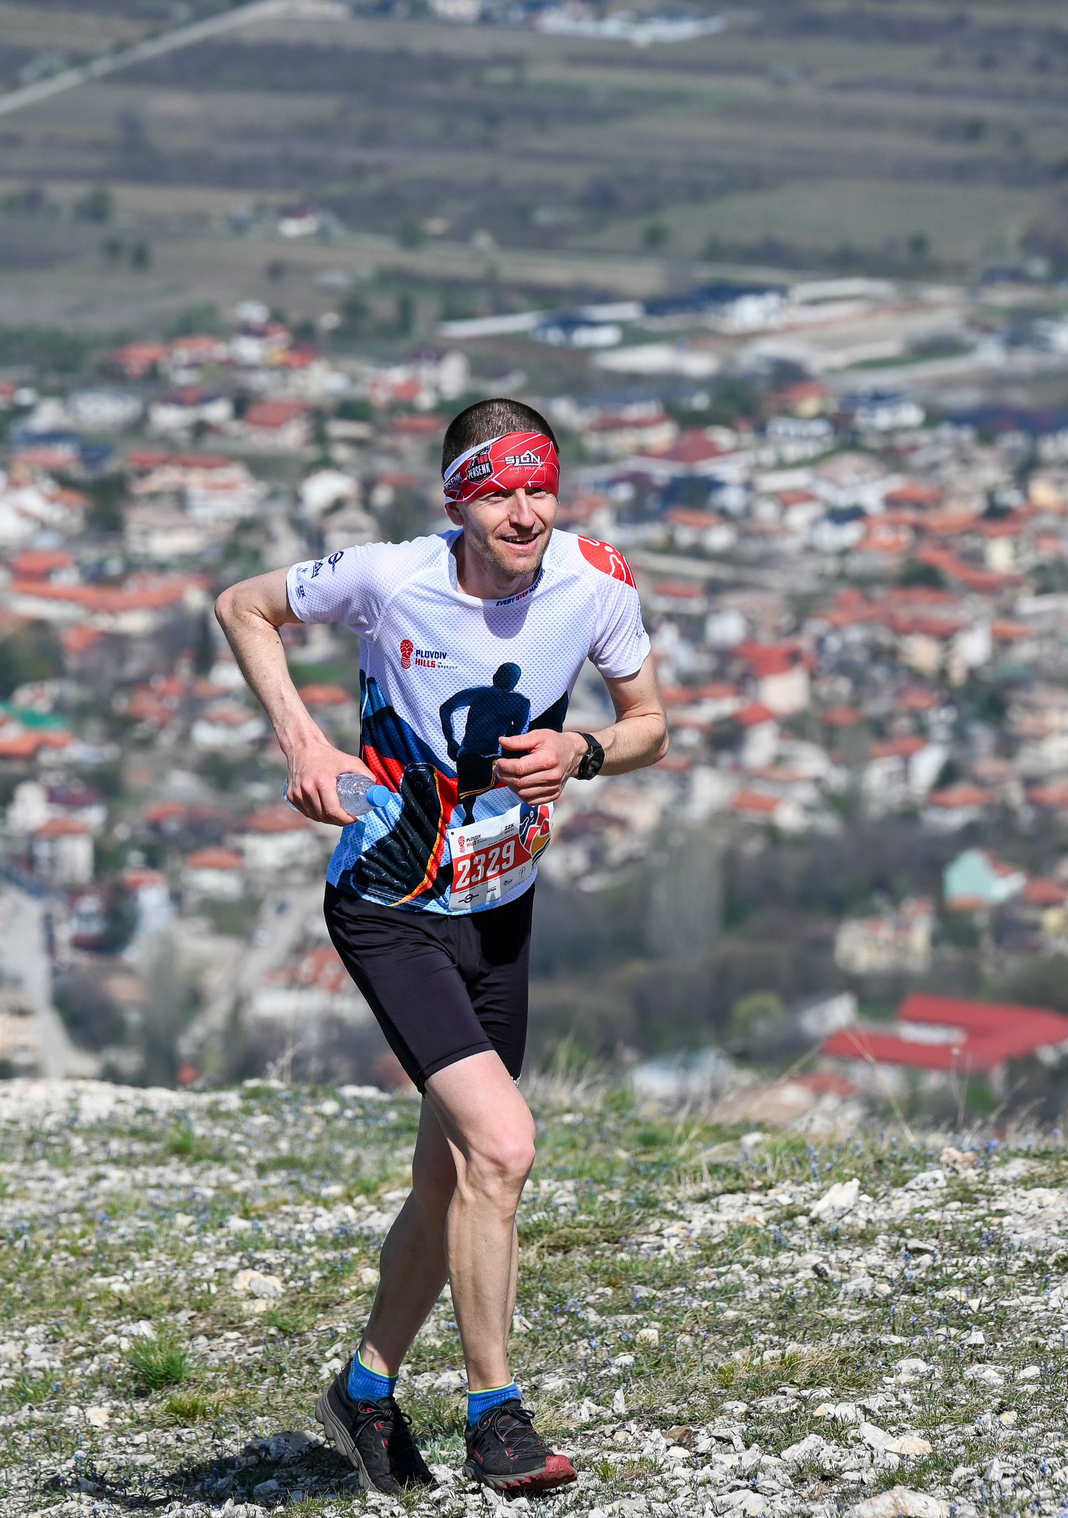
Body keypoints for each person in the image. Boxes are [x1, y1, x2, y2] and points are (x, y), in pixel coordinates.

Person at [214, 397, 667, 1496]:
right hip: (388, 900)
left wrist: (585, 748)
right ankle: (494, 1414)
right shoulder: (388, 575)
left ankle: (364, 1388)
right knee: (503, 1146)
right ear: (458, 499)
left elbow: (652, 722)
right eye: (499, 491)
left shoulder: (597, 580)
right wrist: (301, 733)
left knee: (453, 1173)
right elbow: (242, 603)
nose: (524, 512)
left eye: (539, 487)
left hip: (499, 905)